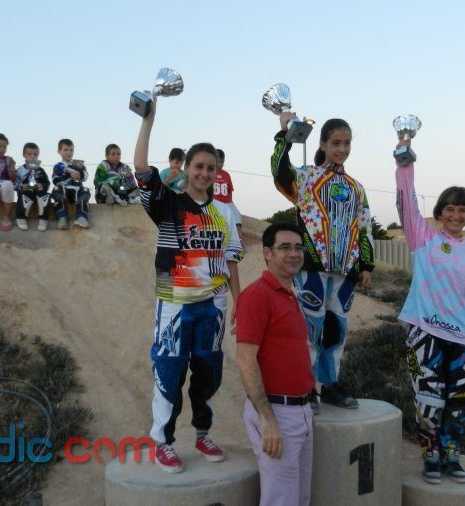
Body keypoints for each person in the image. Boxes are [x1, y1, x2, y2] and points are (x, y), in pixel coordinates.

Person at [133, 99, 243, 473]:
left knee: (209, 372)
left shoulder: (225, 211)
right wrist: (148, 121)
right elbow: (141, 169)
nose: (204, 173)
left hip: (214, 305)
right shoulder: (169, 204)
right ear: (188, 167)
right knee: (169, 370)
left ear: (217, 172)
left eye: (211, 168)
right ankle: (162, 441)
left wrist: (239, 302)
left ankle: (203, 434)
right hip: (174, 301)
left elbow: (231, 260)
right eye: (199, 166)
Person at [394, 136, 465, 485]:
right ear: (440, 212)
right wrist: (404, 164)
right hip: (426, 333)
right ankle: (430, 456)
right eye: (450, 209)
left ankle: (452, 456)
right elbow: (406, 204)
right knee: (429, 401)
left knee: (459, 402)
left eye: (462, 210)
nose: (456, 215)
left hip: (463, 338)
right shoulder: (424, 239)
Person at [271, 114, 375, 413]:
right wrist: (284, 135)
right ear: (323, 144)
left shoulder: (357, 188)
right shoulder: (307, 177)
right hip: (312, 267)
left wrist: (366, 265)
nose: (342, 149)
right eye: (336, 143)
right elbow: (279, 173)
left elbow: (364, 226)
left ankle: (330, 385)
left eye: (346, 143)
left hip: (346, 269)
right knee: (310, 328)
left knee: (336, 329)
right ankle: (306, 386)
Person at [236, 221, 314, 506]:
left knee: (299, 498)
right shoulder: (257, 296)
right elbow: (245, 358)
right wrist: (267, 419)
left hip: (301, 411)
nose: (294, 254)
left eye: (298, 248)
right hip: (277, 413)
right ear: (267, 253)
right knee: (280, 500)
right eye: (285, 248)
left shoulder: (289, 295)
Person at [51, 138, 91, 229]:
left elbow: (85, 176)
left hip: (77, 190)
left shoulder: (79, 164)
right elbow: (56, 181)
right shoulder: (58, 166)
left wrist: (80, 174)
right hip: (64, 191)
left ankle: (81, 217)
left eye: (71, 150)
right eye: (66, 150)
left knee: (86, 190)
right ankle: (62, 217)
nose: (69, 152)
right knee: (56, 190)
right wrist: (69, 175)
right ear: (59, 151)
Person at [15, 142, 51, 231]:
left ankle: (43, 219)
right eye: (29, 154)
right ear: (24, 155)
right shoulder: (20, 170)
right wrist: (21, 186)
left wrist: (42, 185)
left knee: (46, 195)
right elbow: (15, 183)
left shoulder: (41, 170)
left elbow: (47, 182)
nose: (32, 156)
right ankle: (21, 217)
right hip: (26, 192)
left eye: (35, 154)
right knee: (26, 194)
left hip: (38, 192)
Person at [214, 148, 244, 241]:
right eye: (218, 162)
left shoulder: (226, 175)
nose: (220, 164)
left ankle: (239, 240)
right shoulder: (210, 173)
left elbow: (230, 190)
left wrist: (230, 202)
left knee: (237, 217)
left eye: (222, 162)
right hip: (214, 201)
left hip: (227, 201)